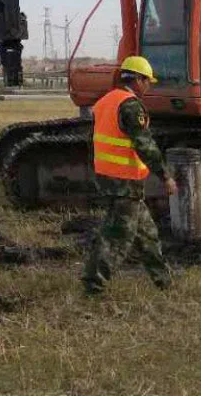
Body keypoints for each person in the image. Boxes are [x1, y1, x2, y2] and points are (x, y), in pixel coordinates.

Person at [82, 55, 177, 296]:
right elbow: (144, 144)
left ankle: (163, 282)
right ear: (137, 79)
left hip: (110, 177)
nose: (148, 87)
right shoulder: (130, 105)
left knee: (147, 235)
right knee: (117, 238)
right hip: (124, 181)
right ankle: (93, 287)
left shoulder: (106, 101)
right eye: (147, 81)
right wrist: (165, 175)